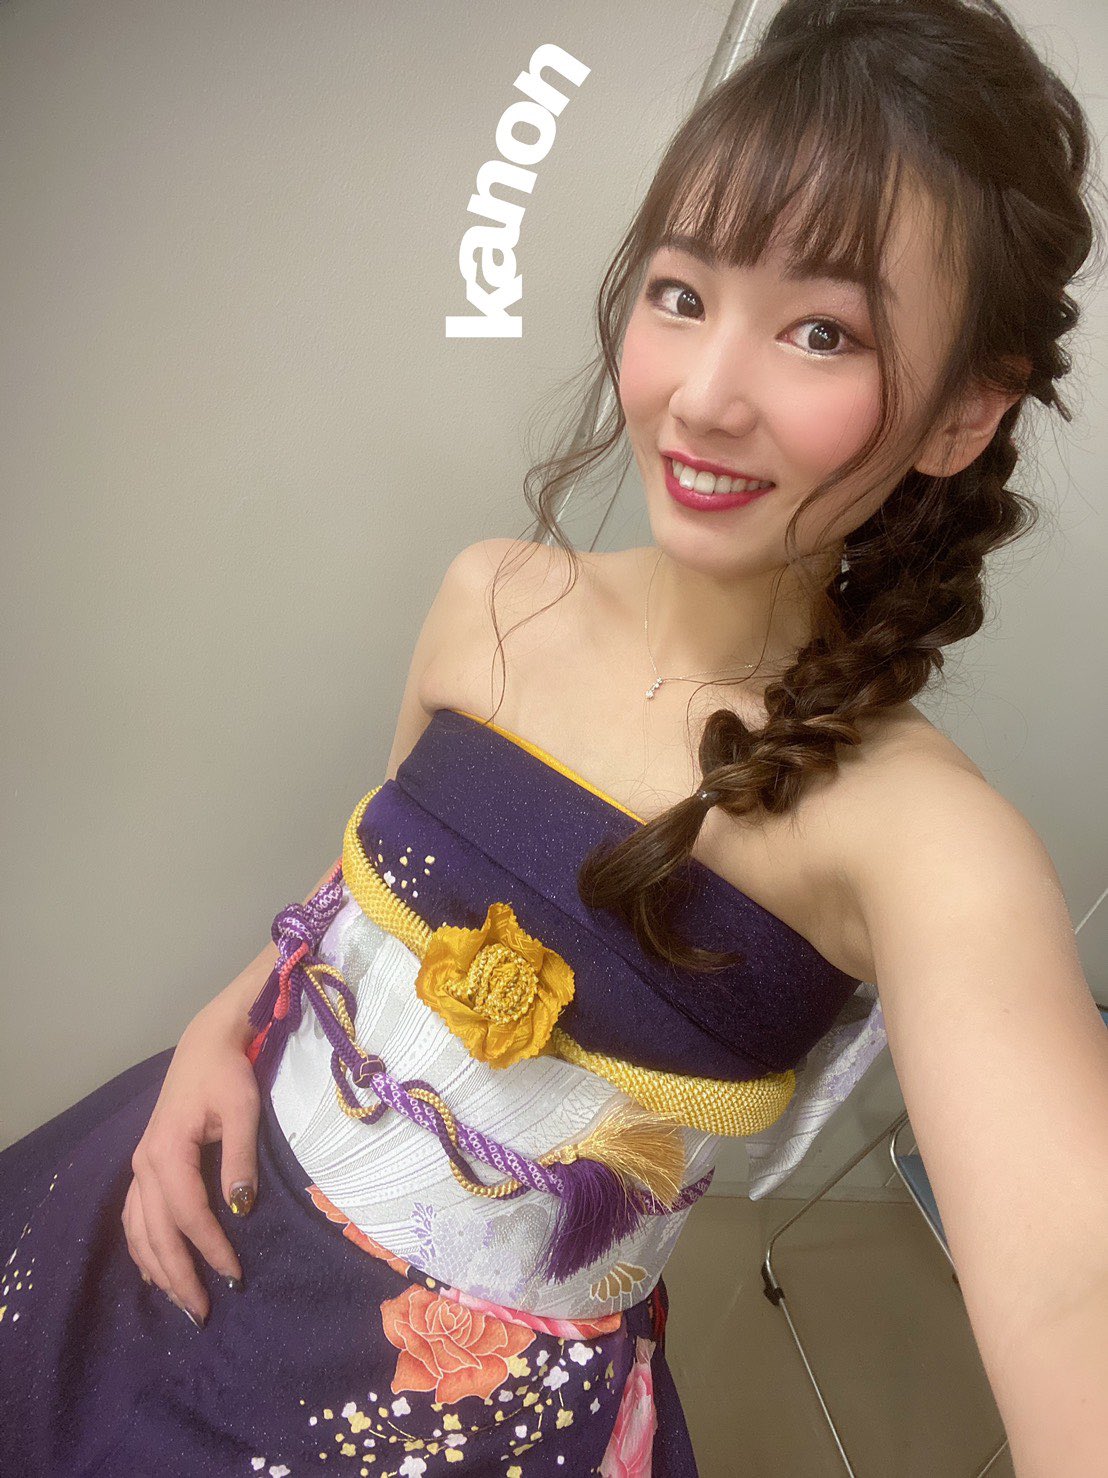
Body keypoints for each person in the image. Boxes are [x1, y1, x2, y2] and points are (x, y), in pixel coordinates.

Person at [3, 0, 1106, 1473]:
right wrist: (224, 1021)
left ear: (965, 416)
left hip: (450, 1418)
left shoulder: (924, 841)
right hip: (192, 1176)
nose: (703, 396)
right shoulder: (493, 594)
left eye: (822, 331)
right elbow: (364, 899)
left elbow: (1074, 1293)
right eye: (681, 293)